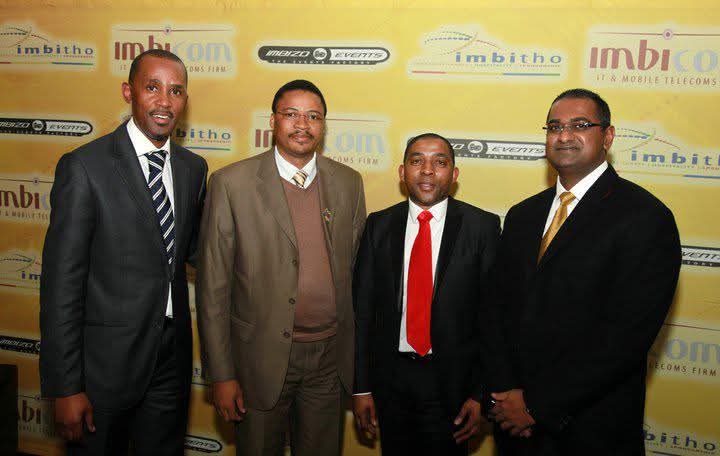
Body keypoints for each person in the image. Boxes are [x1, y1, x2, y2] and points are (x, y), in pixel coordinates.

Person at [489, 88, 681, 455]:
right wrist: (505, 395)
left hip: (591, 429)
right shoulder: (522, 215)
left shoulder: (645, 217)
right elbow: (497, 311)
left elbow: (624, 338)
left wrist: (536, 406)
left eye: (580, 125)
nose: (564, 136)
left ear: (608, 136)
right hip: (514, 427)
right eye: (554, 127)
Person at [39, 49, 208, 455]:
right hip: (103, 367)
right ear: (128, 92)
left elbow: (194, 252)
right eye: (152, 87)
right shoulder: (85, 167)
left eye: (176, 91)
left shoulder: (193, 169)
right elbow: (61, 285)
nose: (165, 101)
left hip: (171, 359)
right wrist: (66, 386)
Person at [196, 79, 366, 456]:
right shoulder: (231, 184)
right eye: (291, 114)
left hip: (328, 359)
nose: (302, 124)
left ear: (324, 125)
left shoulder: (349, 183)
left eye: (313, 116)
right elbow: (213, 291)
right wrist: (221, 375)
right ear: (273, 121)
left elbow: (357, 275)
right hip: (259, 361)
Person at [353, 133, 500, 455]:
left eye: (440, 162)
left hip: (454, 386)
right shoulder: (378, 225)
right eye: (417, 160)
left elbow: (492, 319)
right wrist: (361, 388)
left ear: (454, 174)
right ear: (402, 171)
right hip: (391, 382)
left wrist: (480, 394)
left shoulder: (482, 227)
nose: (428, 170)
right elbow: (363, 312)